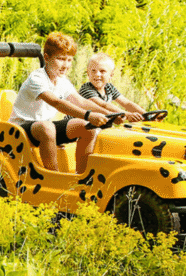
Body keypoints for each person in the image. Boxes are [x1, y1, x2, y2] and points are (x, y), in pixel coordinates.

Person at [9, 32, 116, 173]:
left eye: (69, 60)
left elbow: (80, 102)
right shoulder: (37, 78)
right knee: (47, 128)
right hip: (20, 129)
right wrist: (89, 115)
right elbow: (56, 102)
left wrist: (110, 114)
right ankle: (53, 176)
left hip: (44, 127)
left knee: (87, 127)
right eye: (61, 59)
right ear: (46, 58)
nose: (66, 65)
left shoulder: (62, 80)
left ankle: (82, 177)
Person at [81, 53, 147, 123]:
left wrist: (146, 114)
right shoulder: (87, 89)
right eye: (93, 71)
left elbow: (127, 103)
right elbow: (103, 105)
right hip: (82, 125)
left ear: (111, 75)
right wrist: (127, 114)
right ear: (88, 73)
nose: (97, 74)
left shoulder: (109, 87)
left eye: (102, 71)